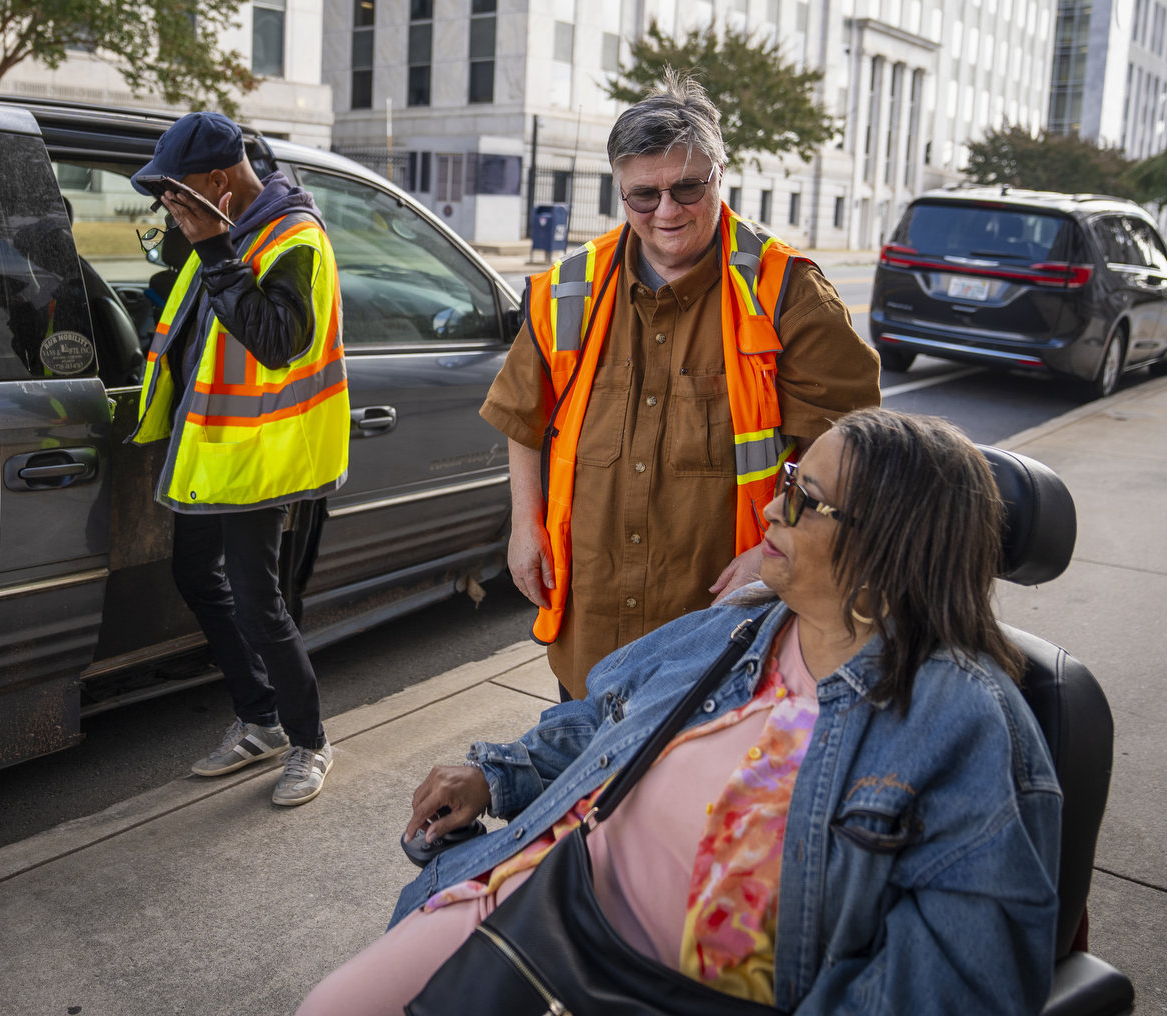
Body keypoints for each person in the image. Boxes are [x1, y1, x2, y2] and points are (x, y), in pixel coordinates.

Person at [300, 409, 1062, 1015]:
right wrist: (494, 776)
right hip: (540, 909)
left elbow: (955, 985)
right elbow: (607, 722)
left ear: (887, 547)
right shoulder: (740, 625)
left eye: (802, 498)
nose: (771, 503)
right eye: (789, 477)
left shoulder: (960, 721)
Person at [484, 71, 880, 700]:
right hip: (591, 635)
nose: (666, 211)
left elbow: (853, 455)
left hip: (724, 638)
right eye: (644, 195)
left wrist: (780, 549)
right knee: (588, 794)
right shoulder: (569, 291)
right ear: (620, 192)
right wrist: (524, 527)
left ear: (720, 175)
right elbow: (523, 421)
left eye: (687, 187)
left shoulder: (789, 294)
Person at [128, 112, 351, 806]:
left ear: (218, 181)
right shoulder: (225, 230)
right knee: (197, 575)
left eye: (175, 189)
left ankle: (309, 739)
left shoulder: (293, 236)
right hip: (210, 447)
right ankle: (260, 718)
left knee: (260, 604)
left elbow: (278, 341)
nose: (168, 202)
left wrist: (216, 251)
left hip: (261, 450)